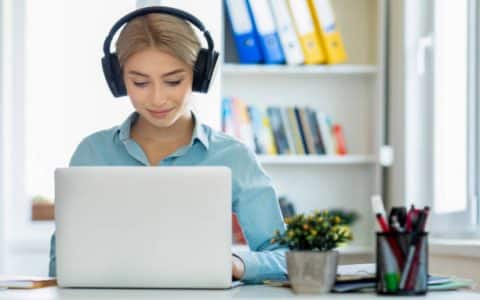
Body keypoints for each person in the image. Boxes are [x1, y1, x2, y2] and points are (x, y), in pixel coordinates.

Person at [49, 7, 287, 284]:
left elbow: (285, 257)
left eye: (173, 81)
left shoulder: (233, 156)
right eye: (139, 82)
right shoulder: (92, 152)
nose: (157, 98)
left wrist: (235, 263)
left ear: (199, 74)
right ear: (118, 80)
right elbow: (62, 261)